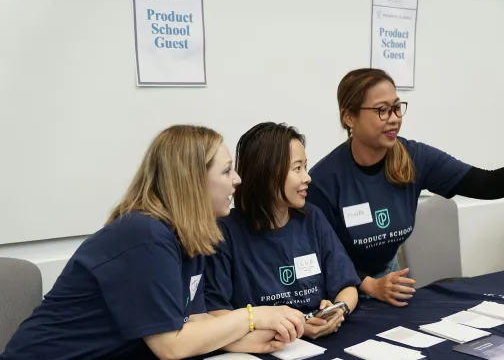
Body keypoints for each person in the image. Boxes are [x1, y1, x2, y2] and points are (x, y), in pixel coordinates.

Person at [0, 125, 305, 360]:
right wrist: (253, 316)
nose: (237, 180)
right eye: (227, 171)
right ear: (192, 179)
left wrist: (246, 339)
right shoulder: (145, 235)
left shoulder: (191, 233)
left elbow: (194, 321)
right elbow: (170, 346)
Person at [306, 68, 504, 307]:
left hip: (389, 284)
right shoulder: (325, 181)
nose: (393, 118)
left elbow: (486, 184)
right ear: (349, 118)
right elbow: (324, 258)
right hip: (342, 292)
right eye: (382, 110)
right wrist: (369, 286)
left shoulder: (415, 158)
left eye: (397, 107)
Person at [204, 122, 360, 340]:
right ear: (266, 175)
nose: (307, 178)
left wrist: (337, 310)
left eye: (305, 167)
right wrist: (295, 327)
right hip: (261, 346)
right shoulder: (226, 231)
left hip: (322, 340)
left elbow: (348, 287)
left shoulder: (312, 218)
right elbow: (216, 313)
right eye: (297, 169)